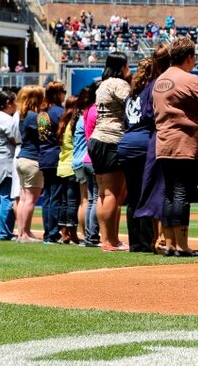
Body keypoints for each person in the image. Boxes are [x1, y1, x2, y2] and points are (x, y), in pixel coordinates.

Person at [145, 36, 198, 256]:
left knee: (170, 194)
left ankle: (169, 244)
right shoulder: (189, 79)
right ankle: (182, 245)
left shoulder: (160, 80)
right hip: (184, 144)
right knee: (181, 194)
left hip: (163, 143)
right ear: (189, 57)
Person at [120, 50, 168, 252]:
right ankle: (149, 241)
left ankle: (136, 243)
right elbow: (151, 116)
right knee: (147, 194)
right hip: (144, 144)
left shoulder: (131, 93)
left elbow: (125, 120)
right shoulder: (151, 89)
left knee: (133, 196)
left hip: (126, 144)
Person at [89, 53, 132, 251]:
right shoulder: (119, 84)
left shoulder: (102, 85)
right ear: (122, 65)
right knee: (115, 193)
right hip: (113, 139)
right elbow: (131, 105)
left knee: (102, 193)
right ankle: (111, 241)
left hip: (97, 139)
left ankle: (105, 239)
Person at [14, 85, 47, 243]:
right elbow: (46, 136)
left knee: (23, 197)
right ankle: (25, 234)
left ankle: (22, 233)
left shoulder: (22, 116)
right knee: (30, 199)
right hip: (33, 159)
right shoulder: (34, 116)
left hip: (22, 158)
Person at [72, 83, 100, 248]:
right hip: (87, 159)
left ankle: (87, 234)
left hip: (80, 159)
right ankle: (89, 235)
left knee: (87, 200)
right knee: (89, 200)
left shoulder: (81, 114)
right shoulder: (91, 112)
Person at [38, 81, 67, 244]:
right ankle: (53, 233)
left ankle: (48, 232)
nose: (64, 94)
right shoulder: (59, 112)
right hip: (56, 155)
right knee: (54, 196)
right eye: (63, 91)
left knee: (48, 197)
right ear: (58, 93)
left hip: (44, 155)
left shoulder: (42, 112)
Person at [55, 95, 82, 245]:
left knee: (65, 202)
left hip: (62, 165)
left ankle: (64, 232)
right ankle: (72, 233)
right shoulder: (74, 124)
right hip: (72, 166)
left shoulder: (63, 123)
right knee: (72, 202)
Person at [0, 90, 19, 241]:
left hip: (1, 158)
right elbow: (15, 139)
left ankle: (2, 231)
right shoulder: (5, 118)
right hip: (6, 159)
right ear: (8, 103)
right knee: (7, 197)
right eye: (16, 101)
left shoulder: (1, 117)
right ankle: (4, 232)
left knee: (2, 197)